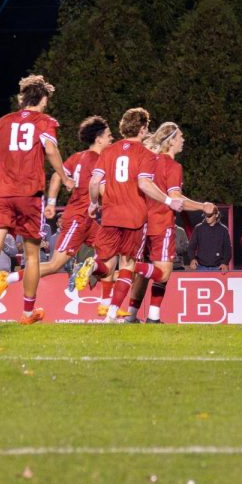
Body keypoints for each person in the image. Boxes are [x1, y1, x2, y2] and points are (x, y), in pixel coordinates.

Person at [0, 75, 73, 325]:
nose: (46, 106)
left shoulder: (3, 122)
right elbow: (51, 150)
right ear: (41, 99)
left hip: (1, 194)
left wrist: (10, 160)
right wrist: (65, 177)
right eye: (45, 101)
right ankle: (28, 313)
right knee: (32, 257)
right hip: (28, 195)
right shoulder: (45, 121)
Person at [0, 115, 113, 304]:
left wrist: (51, 203)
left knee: (110, 251)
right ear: (98, 138)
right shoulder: (98, 160)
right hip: (78, 219)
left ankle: (105, 304)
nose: (111, 139)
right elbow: (101, 189)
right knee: (56, 264)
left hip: (87, 219)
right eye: (108, 135)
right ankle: (7, 279)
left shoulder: (77, 157)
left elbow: (58, 177)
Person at [86, 108, 187, 323]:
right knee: (127, 266)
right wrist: (169, 201)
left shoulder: (108, 152)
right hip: (134, 218)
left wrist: (94, 204)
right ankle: (112, 314)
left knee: (107, 265)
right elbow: (144, 183)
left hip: (110, 216)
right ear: (142, 129)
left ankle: (93, 267)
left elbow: (94, 182)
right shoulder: (146, 155)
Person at [123, 121, 214, 324]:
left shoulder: (148, 160)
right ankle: (128, 271)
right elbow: (176, 199)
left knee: (147, 271)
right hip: (161, 223)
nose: (183, 140)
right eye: (180, 136)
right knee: (163, 272)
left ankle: (131, 315)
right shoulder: (172, 166)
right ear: (171, 140)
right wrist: (203, 206)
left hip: (140, 223)